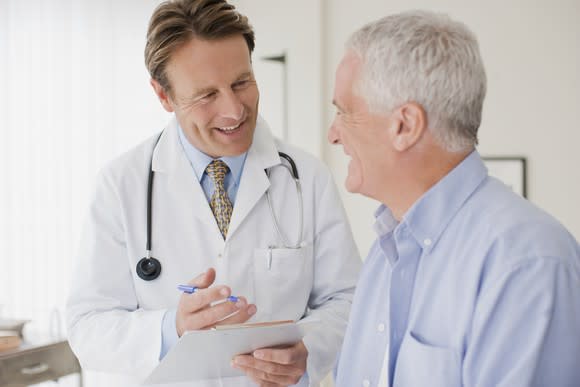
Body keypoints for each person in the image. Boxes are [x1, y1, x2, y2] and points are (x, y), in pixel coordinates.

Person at [66, 1, 361, 386]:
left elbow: (351, 301)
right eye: (206, 95)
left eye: (242, 82)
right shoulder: (122, 185)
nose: (233, 110)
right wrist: (172, 328)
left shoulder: (306, 177)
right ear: (163, 96)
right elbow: (87, 328)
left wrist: (311, 347)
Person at [329, 10, 580, 387]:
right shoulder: (386, 252)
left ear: (405, 126)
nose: (334, 134)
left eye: (345, 113)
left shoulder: (528, 261)